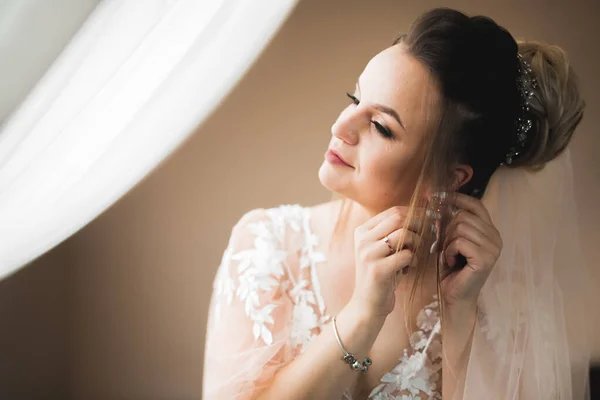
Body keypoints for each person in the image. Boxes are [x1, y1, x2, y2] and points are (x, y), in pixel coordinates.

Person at [202, 7, 591, 400]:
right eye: (355, 98)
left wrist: (460, 320)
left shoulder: (500, 301)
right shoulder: (266, 245)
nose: (340, 127)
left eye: (381, 127)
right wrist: (361, 315)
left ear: (450, 177)